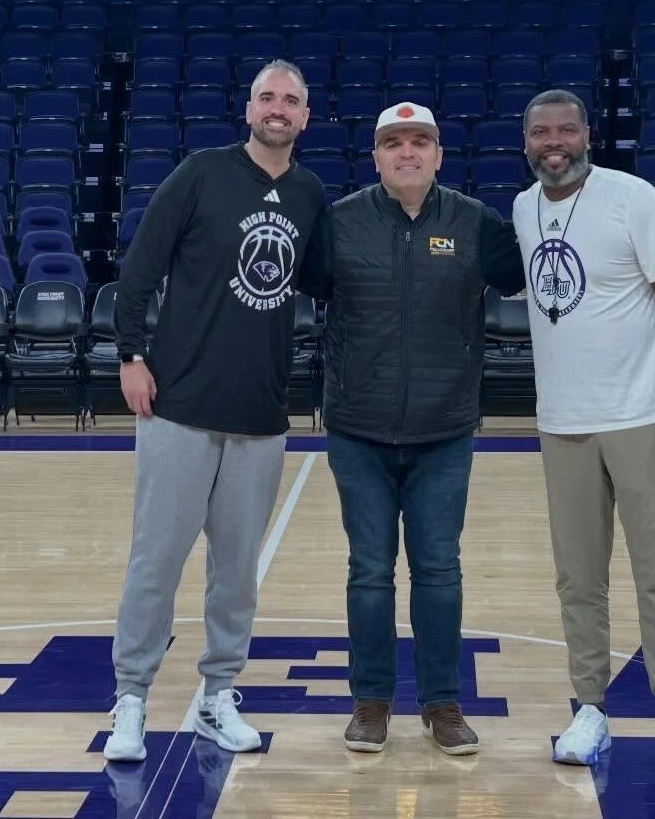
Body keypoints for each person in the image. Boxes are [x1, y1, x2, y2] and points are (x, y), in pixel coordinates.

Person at [103, 59, 326, 763]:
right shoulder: (202, 172)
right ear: (249, 105)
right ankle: (131, 698)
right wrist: (129, 354)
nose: (278, 108)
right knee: (156, 562)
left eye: (291, 100)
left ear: (305, 116)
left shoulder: (312, 194)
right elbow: (141, 265)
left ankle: (216, 695)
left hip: (259, 414)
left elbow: (326, 283)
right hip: (180, 406)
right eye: (268, 96)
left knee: (236, 574)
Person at [297, 101, 526, 757]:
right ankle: (370, 702)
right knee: (369, 570)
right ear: (375, 156)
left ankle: (441, 704)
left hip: (444, 429)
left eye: (419, 141)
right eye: (393, 142)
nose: (407, 152)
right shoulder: (337, 225)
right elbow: (300, 288)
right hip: (357, 428)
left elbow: (528, 275)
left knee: (438, 569)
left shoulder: (476, 223)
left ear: (438, 154)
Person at [510, 88, 655, 778]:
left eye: (566, 130)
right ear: (527, 141)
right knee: (578, 578)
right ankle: (589, 707)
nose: (554, 143)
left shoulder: (633, 197)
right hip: (563, 421)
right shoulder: (522, 207)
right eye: (541, 133)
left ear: (588, 135)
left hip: (642, 415)